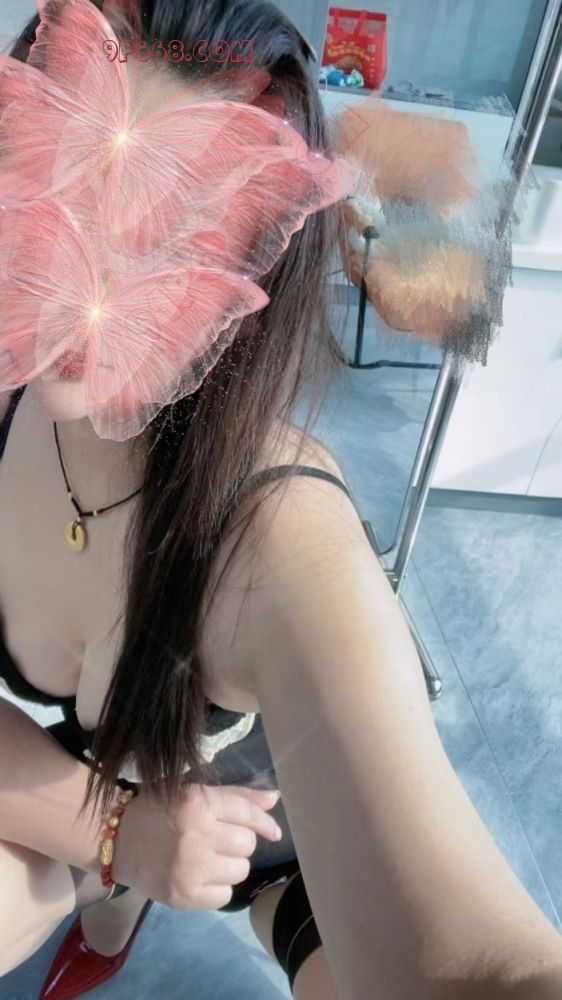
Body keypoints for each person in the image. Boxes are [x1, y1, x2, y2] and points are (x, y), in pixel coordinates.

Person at [0, 3, 561, 1000]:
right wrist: (119, 835)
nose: (89, 288)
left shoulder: (283, 538)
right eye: (65, 190)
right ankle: (107, 896)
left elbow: (478, 966)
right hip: (80, 800)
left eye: (168, 232)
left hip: (250, 828)